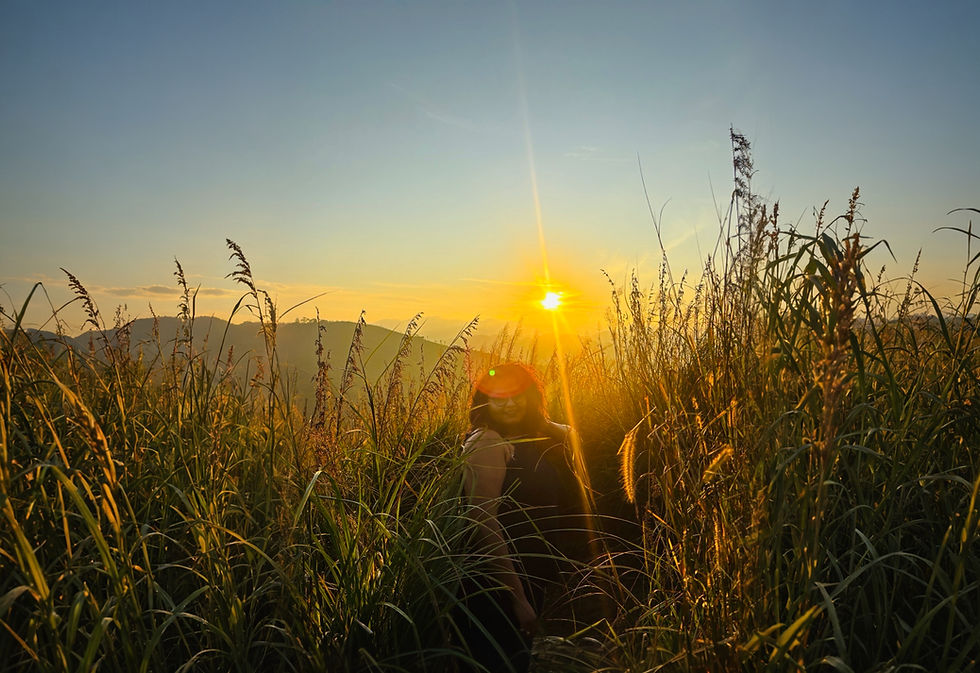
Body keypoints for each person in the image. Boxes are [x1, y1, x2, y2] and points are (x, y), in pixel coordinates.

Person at [455, 363, 587, 673]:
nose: (510, 404)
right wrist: (517, 598)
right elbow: (482, 523)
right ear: (485, 402)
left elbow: (570, 433)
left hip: (526, 577)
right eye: (500, 397)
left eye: (517, 396)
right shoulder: (487, 442)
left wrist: (545, 422)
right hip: (495, 586)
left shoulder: (527, 437)